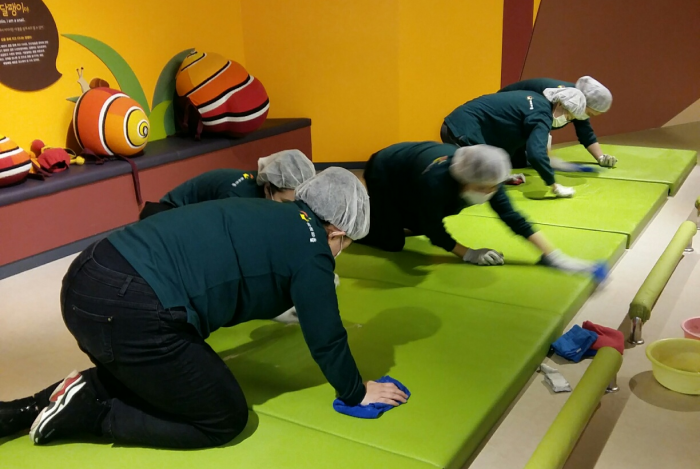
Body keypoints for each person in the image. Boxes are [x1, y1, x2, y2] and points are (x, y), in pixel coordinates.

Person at [1, 169, 407, 448]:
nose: (341, 251)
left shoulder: (268, 209)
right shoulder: (314, 250)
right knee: (223, 417)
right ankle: (93, 418)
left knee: (164, 373)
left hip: (88, 276)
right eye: (345, 244)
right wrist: (356, 391)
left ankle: (23, 410)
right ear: (336, 231)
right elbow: (326, 335)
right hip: (127, 306)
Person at [359, 140, 601, 271]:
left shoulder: (488, 175)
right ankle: (357, 226)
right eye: (483, 188)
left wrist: (553, 255)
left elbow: (512, 216)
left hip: (413, 170)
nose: (489, 193)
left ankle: (391, 219)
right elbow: (434, 229)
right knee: (393, 242)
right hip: (385, 169)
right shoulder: (437, 183)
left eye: (493, 188)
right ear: (463, 181)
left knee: (422, 218)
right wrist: (468, 253)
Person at [441, 85, 588, 198]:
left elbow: (508, 137)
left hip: (458, 125)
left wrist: (503, 174)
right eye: (568, 117)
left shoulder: (537, 100)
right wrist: (554, 184)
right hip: (461, 130)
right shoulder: (542, 115)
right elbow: (536, 154)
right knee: (464, 184)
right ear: (561, 104)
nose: (565, 121)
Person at [139, 149, 315, 219]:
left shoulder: (273, 182)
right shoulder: (238, 198)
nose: (290, 209)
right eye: (285, 202)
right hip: (169, 213)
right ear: (268, 188)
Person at [499, 76, 616, 167]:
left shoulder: (577, 103)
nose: (587, 117)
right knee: (514, 161)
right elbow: (538, 125)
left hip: (522, 121)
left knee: (526, 159)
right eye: (589, 113)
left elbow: (586, 133)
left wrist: (601, 157)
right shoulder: (557, 95)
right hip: (505, 115)